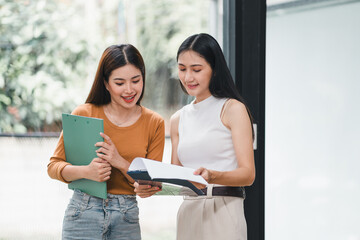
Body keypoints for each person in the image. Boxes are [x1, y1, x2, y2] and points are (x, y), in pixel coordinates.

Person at [135, 33, 255, 240]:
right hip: (188, 211)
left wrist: (213, 175)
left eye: (196, 69)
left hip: (223, 211)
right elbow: (178, 178)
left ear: (214, 69)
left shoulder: (232, 109)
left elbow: (248, 174)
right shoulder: (177, 119)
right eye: (182, 69)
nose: (188, 77)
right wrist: (153, 186)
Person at [47, 44, 165, 240]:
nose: (129, 90)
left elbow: (151, 183)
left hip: (126, 216)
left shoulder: (154, 123)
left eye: (136, 80)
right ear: (106, 83)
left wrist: (120, 162)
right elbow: (53, 167)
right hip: (83, 212)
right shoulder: (84, 114)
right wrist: (87, 172)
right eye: (120, 83)